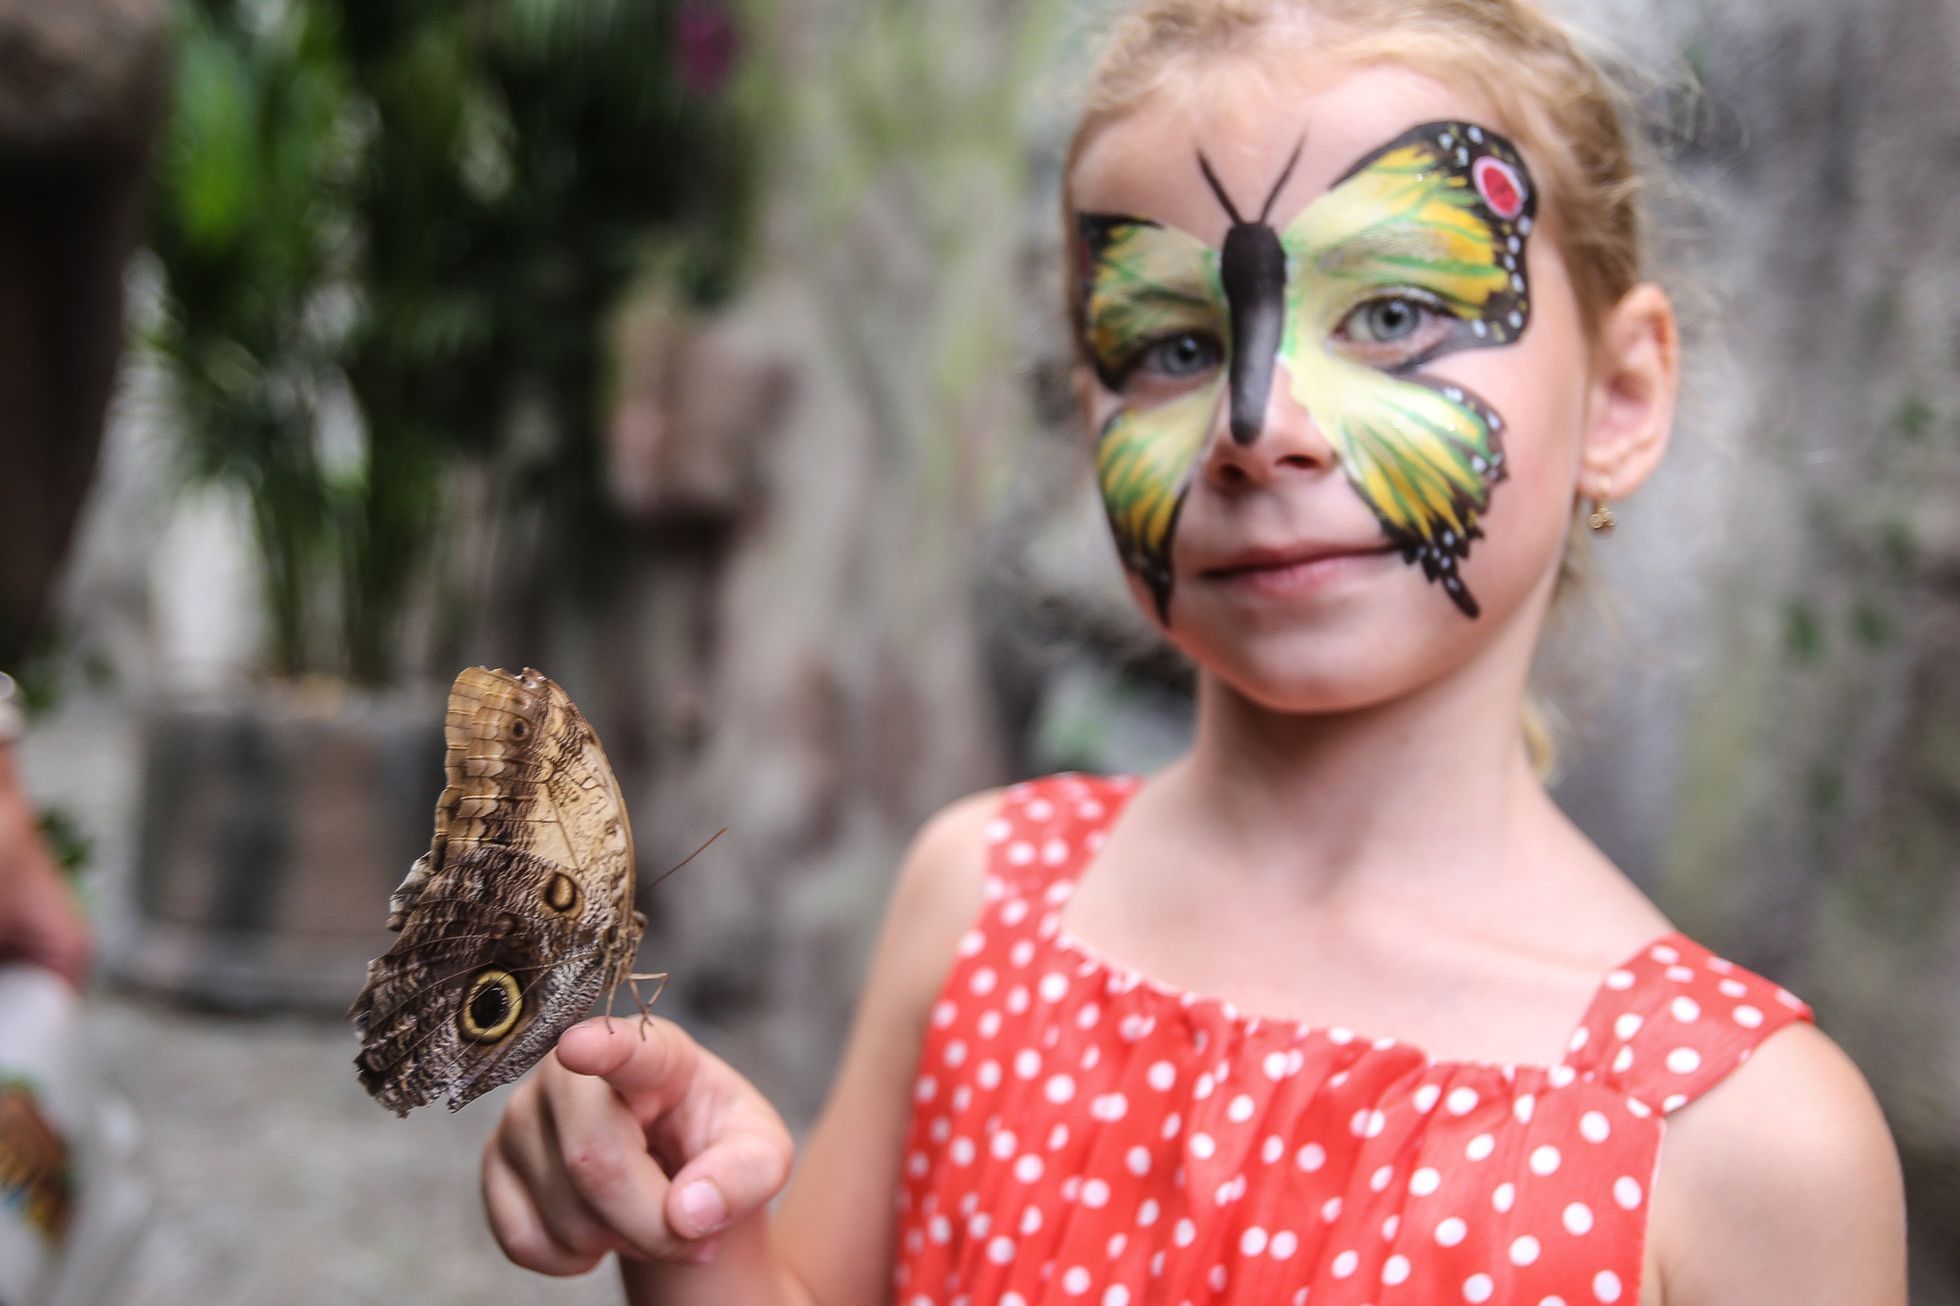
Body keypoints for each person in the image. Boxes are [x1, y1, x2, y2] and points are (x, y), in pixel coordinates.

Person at [481, 1, 1908, 1301]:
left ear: (1624, 395)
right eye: (1168, 346)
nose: (1253, 420)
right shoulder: (980, 901)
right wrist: (696, 1227)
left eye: (1396, 316)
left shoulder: (1746, 1144)